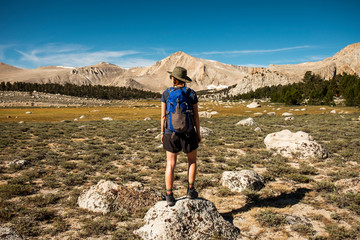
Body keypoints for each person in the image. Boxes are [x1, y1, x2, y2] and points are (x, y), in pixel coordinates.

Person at [160, 66, 201, 206]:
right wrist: (198, 133)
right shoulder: (191, 93)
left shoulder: (166, 93)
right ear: (184, 80)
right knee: (192, 161)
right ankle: (190, 190)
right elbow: (196, 116)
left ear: (173, 78)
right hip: (189, 132)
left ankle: (169, 195)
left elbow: (163, 116)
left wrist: (162, 133)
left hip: (170, 133)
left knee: (170, 164)